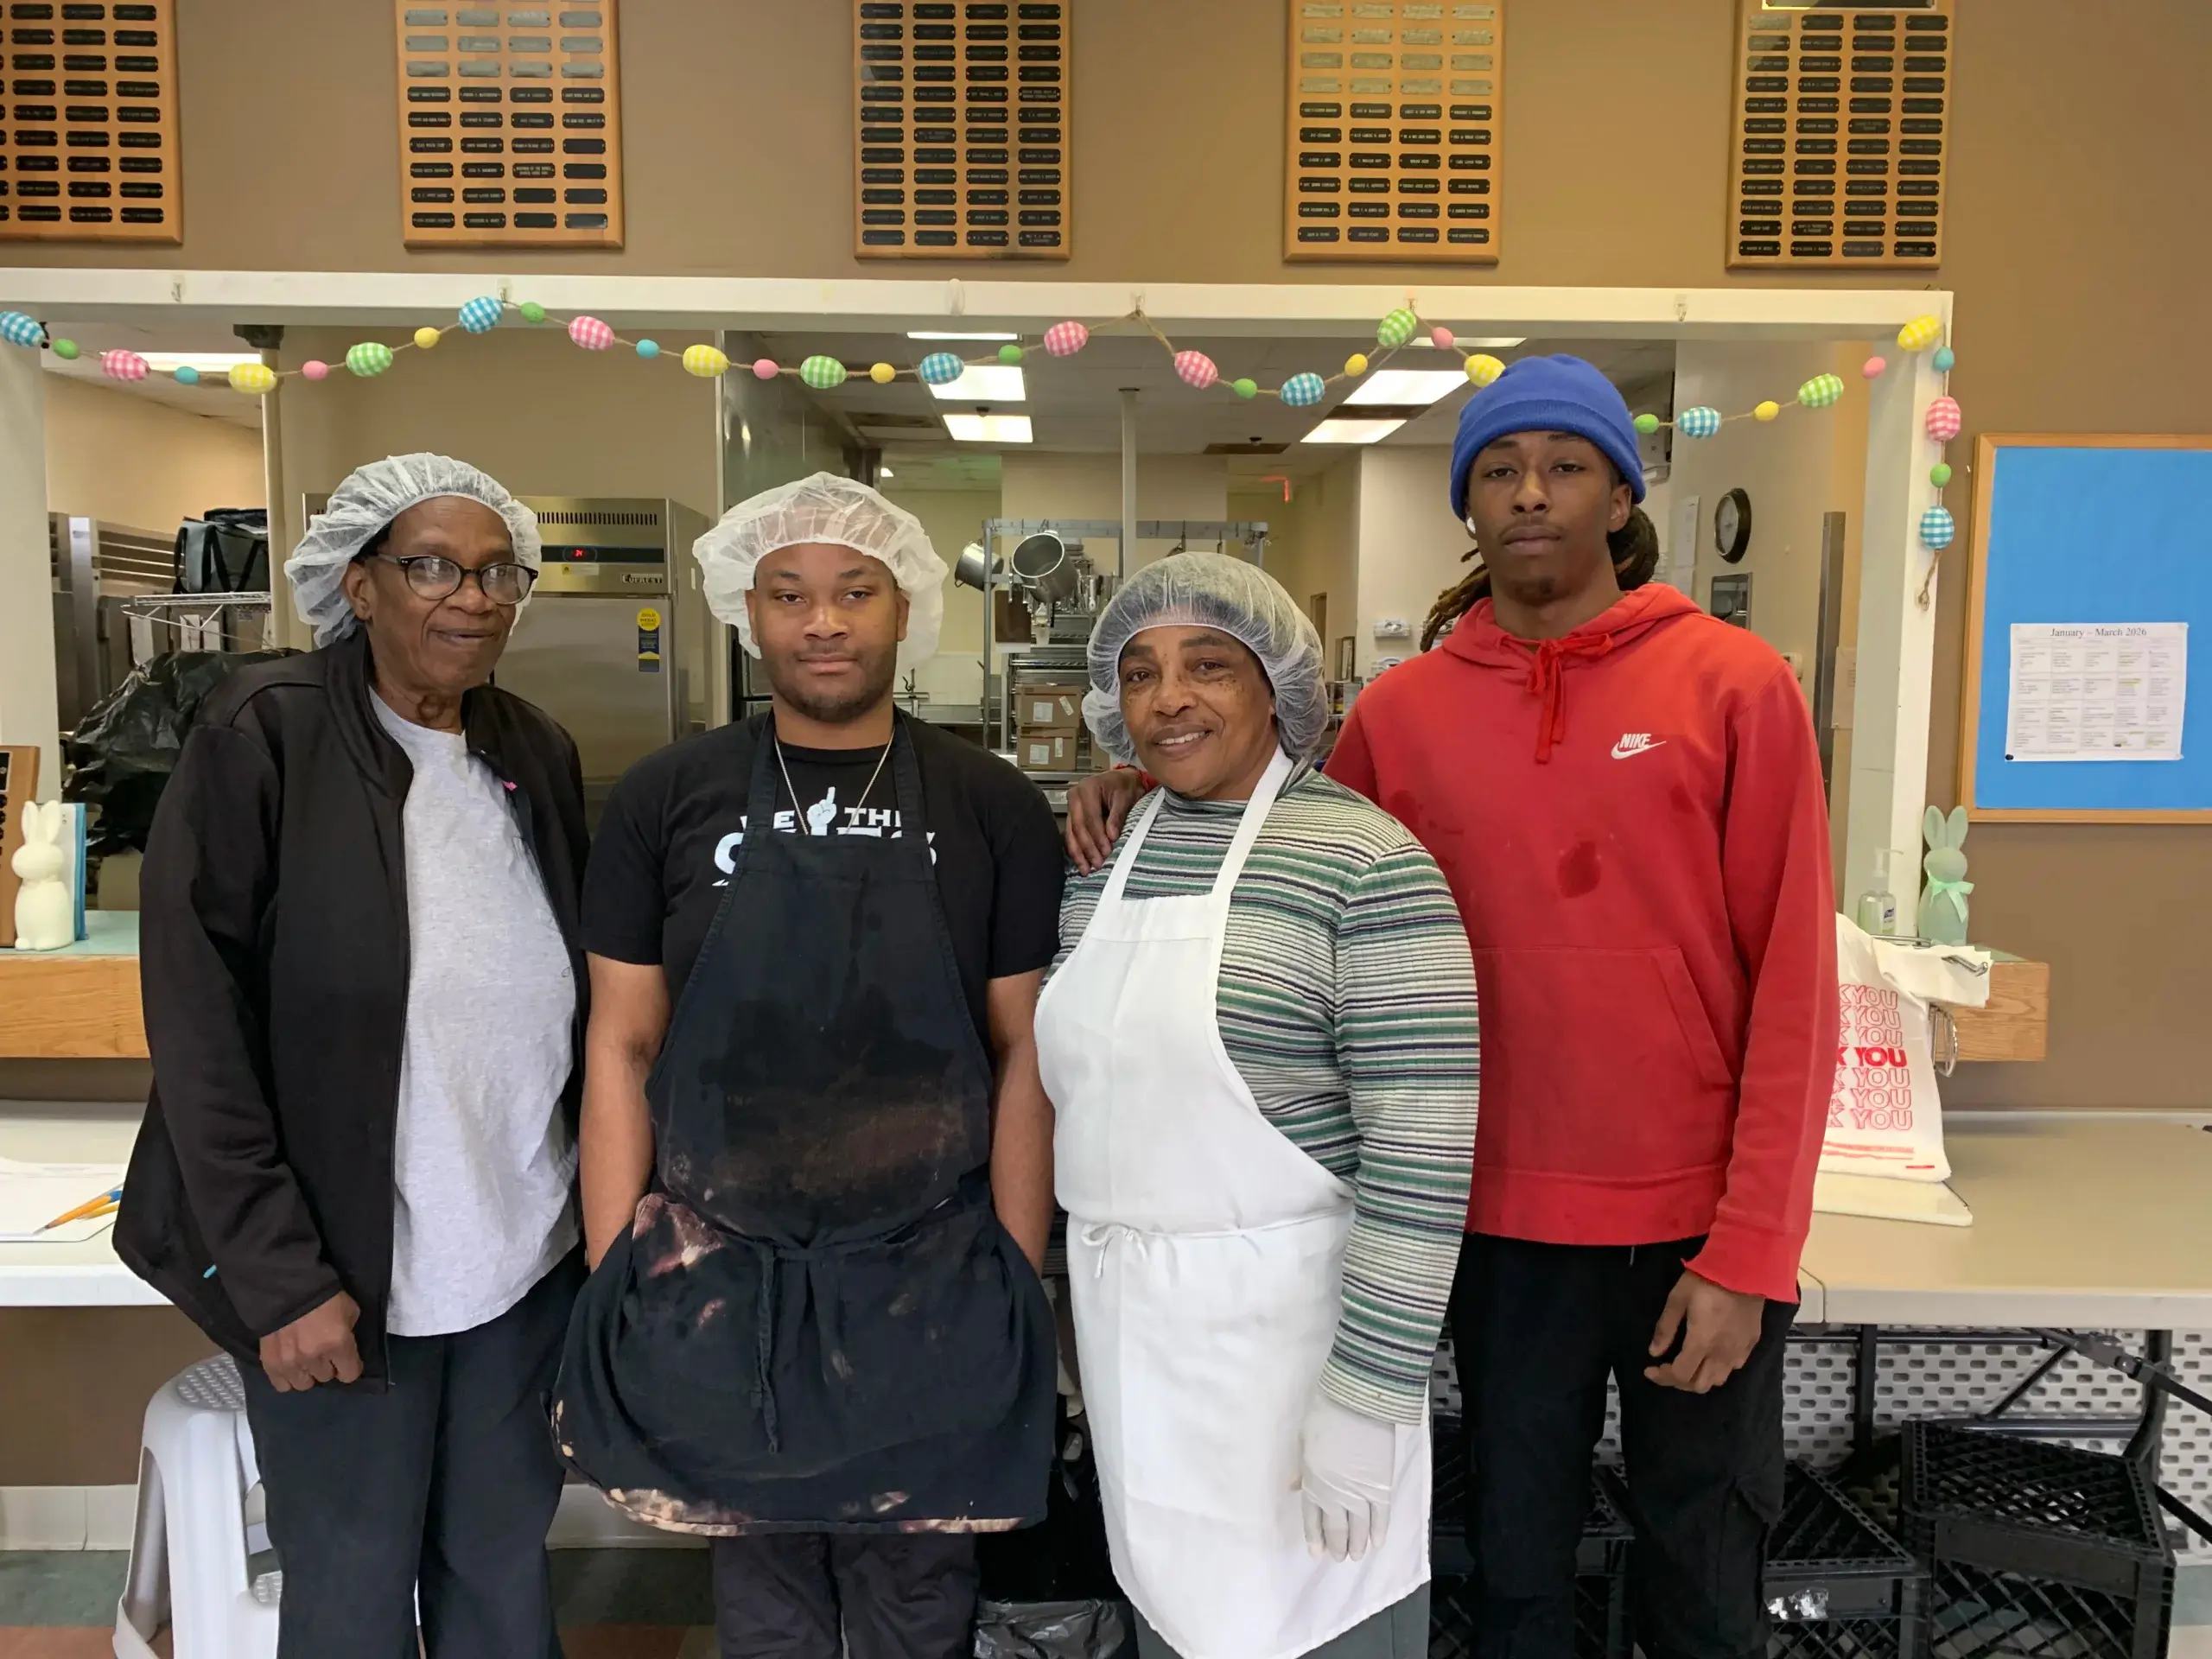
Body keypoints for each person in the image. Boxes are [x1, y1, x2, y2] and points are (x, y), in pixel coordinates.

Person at [1066, 356, 1838, 1659]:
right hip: (1487, 1222)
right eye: (1499, 471)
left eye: (1565, 467)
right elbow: (1284, 835)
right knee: (1513, 1566)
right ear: (1467, 506)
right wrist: (1137, 786)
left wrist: (1751, 1252)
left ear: (1619, 498)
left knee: (1704, 1572)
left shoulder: (1734, 685)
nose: (1531, 493)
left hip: (1686, 1226)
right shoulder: (1405, 713)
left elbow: (1796, 989)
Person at [555, 472, 1064, 1659]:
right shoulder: (666, 797)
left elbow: (1023, 1049)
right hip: (720, 1272)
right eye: (789, 594)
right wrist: (615, 1261)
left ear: (905, 609)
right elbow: (621, 1041)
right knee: (764, 1595)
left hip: (934, 1276)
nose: (822, 622)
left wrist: (1013, 1268)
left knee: (920, 1594)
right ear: (749, 611)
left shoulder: (989, 804)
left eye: (854, 591)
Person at [118, 454, 590, 1659]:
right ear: (359, 585)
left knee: (500, 1565)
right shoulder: (265, 733)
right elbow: (201, 1030)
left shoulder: (532, 749)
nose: (472, 597)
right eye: (432, 567)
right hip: (340, 1277)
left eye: (498, 573)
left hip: (517, 1262)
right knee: (352, 1587)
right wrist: (279, 1279)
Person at [1039, 553, 1479, 1659]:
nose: (1168, 698)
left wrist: (1368, 1398)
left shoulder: (1368, 865)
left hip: (1293, 1358)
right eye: (1139, 673)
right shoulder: (1101, 857)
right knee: (1168, 1622)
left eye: (1209, 666)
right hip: (1132, 1342)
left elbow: (1422, 1157)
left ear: (1276, 686)